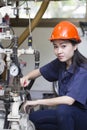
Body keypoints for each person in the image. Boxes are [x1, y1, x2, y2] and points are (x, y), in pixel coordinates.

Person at [20, 21, 87, 130]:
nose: (59, 51)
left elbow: (69, 100)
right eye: (55, 46)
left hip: (82, 117)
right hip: (66, 115)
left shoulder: (83, 69)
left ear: (75, 46)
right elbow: (39, 71)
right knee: (33, 118)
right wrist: (26, 77)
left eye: (63, 46)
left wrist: (37, 102)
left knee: (63, 110)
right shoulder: (61, 63)